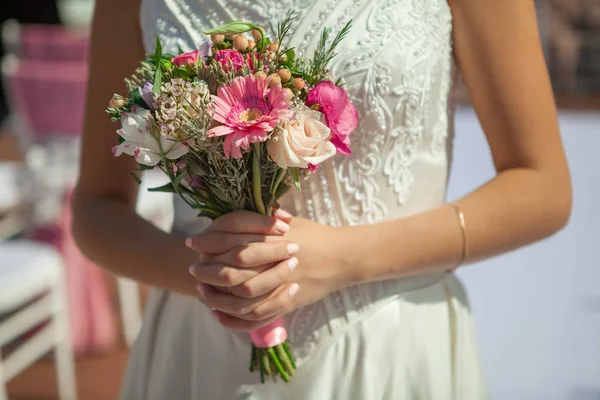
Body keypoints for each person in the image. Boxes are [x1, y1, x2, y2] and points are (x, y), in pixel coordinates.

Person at [72, 0, 572, 399]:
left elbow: (542, 186)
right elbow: (97, 206)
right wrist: (215, 277)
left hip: (390, 350)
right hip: (200, 349)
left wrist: (339, 260)